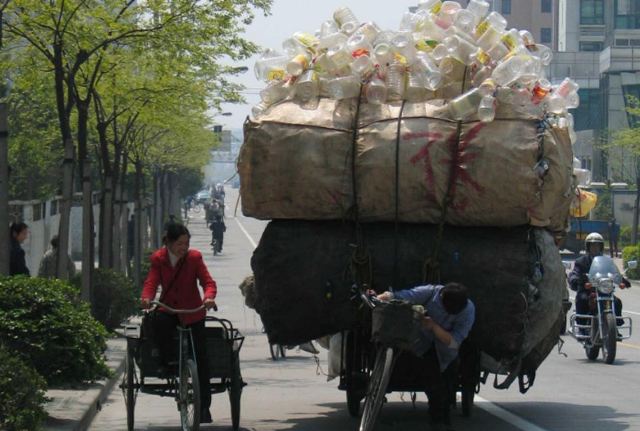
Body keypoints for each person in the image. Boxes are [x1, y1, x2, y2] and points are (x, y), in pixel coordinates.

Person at [140, 223, 217, 424]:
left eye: (186, 243)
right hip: (169, 310)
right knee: (158, 323)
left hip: (193, 312)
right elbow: (151, 282)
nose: (184, 247)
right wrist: (147, 298)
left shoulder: (194, 258)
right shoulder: (159, 259)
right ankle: (166, 362)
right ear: (170, 243)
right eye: (180, 243)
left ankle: (204, 408)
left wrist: (208, 298)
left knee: (201, 360)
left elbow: (207, 282)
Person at [376, 282, 475, 431]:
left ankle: (444, 419)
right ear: (441, 297)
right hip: (421, 345)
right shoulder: (431, 292)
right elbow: (406, 295)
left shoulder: (468, 310)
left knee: (448, 385)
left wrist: (434, 326)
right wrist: (387, 296)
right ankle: (437, 421)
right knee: (434, 383)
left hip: (447, 352)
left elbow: (455, 343)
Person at [569, 232, 628, 332]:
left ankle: (614, 328)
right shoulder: (581, 261)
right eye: (592, 245)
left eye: (597, 245)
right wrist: (578, 280)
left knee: (617, 302)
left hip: (603, 290)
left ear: (601, 246)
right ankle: (582, 327)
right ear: (588, 247)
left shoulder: (607, 261)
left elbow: (614, 272)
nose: (595, 248)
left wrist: (622, 281)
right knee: (582, 299)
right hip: (587, 290)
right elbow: (575, 273)